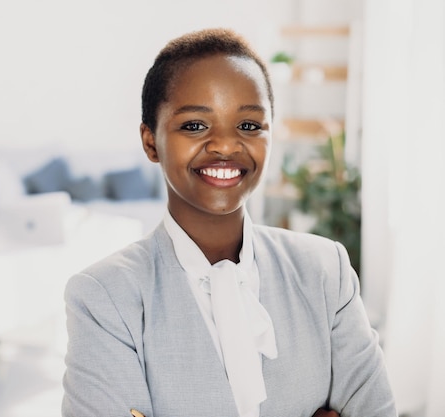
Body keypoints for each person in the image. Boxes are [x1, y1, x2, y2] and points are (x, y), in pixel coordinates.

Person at [62, 28, 397, 417]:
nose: (225, 145)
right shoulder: (105, 297)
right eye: (194, 125)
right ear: (151, 141)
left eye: (249, 125)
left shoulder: (325, 270)